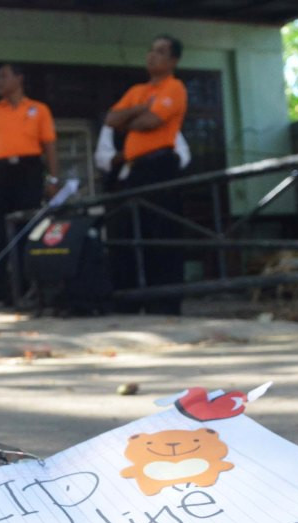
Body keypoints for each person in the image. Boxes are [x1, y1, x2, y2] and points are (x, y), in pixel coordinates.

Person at [105, 35, 188, 315]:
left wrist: (133, 118)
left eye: (161, 52)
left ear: (173, 60)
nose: (153, 56)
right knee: (126, 232)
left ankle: (165, 303)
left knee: (161, 234)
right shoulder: (137, 91)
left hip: (161, 166)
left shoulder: (174, 88)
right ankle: (129, 300)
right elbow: (111, 120)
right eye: (151, 50)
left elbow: (151, 122)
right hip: (135, 169)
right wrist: (140, 108)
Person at [0, 64, 59, 309]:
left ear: (19, 78)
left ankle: (28, 290)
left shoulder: (39, 109)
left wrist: (53, 179)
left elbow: (50, 147)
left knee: (29, 231)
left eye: (4, 76)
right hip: (0, 173)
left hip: (29, 170)